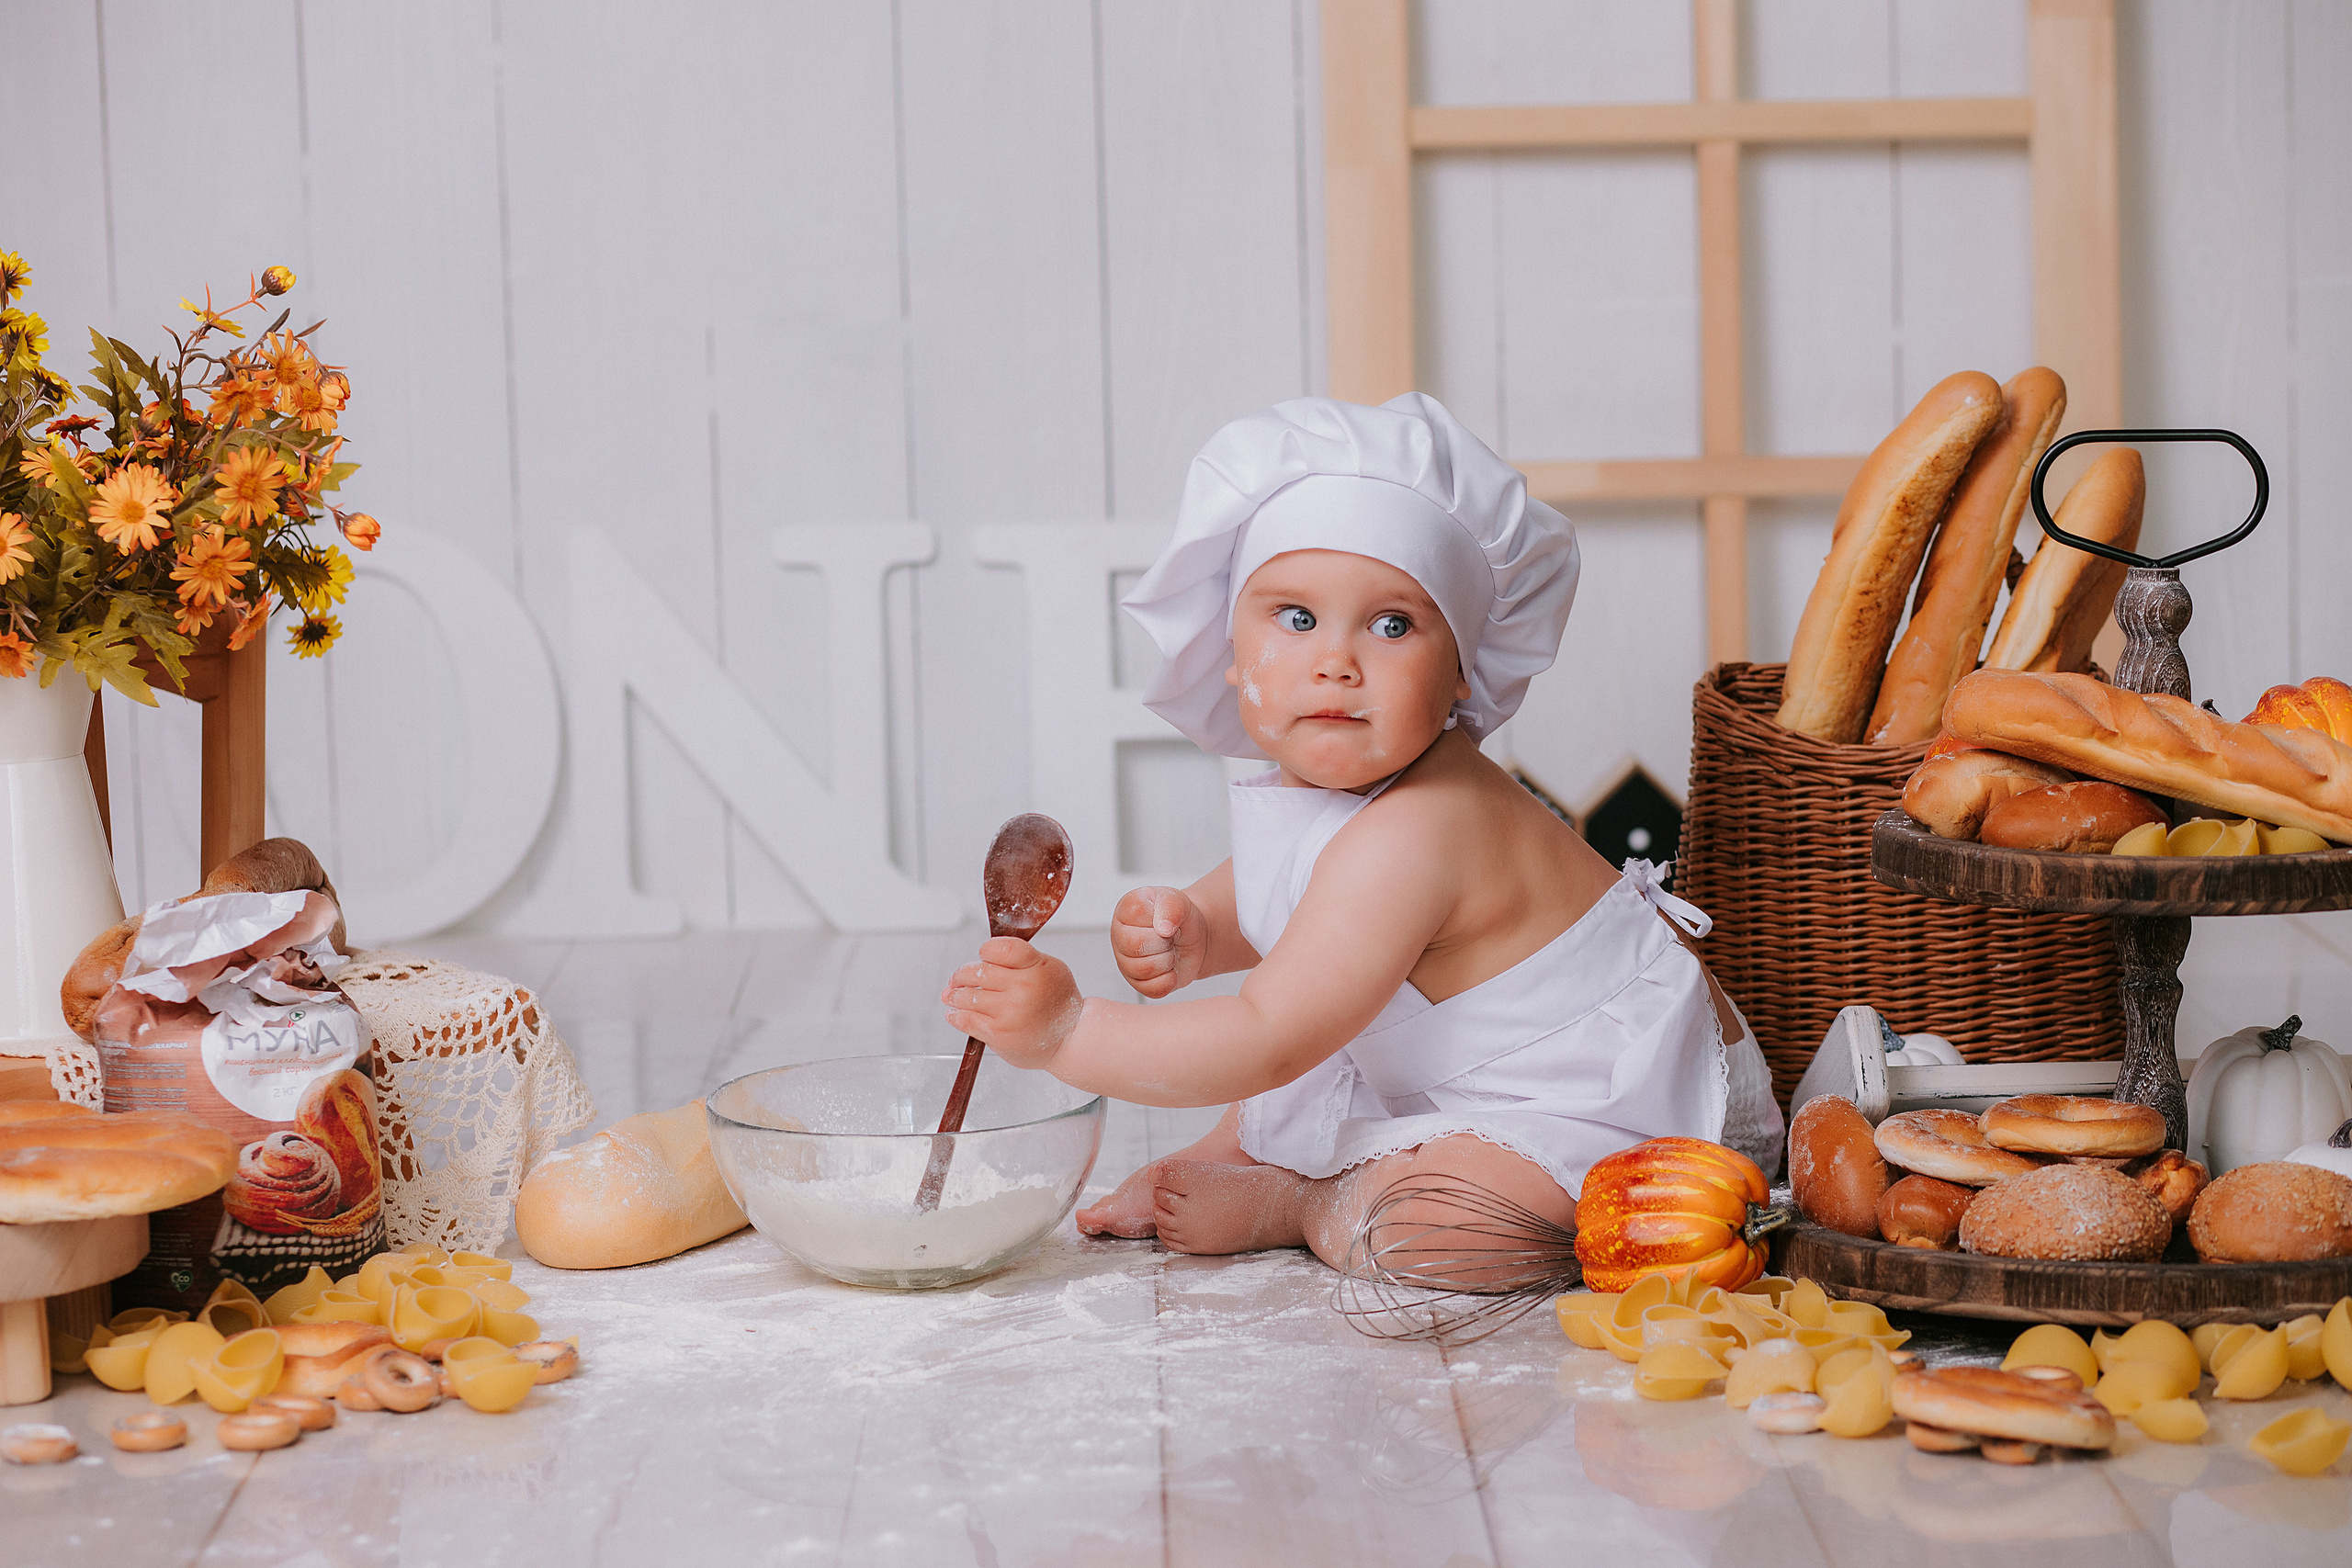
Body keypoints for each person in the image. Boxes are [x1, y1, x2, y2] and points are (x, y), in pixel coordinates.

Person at [941, 394, 1782, 1287]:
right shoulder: (1348, 798)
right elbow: (1294, 887)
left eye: (1392, 625)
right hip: (1464, 1075)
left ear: (1462, 673)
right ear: (1229, 654)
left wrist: (1069, 1031)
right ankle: (1237, 1154)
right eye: (1295, 619)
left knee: (1432, 1217)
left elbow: (1269, 1036)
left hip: (1626, 1109)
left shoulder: (1422, 829)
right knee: (1308, 1057)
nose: (1336, 661)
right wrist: (1199, 924)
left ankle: (1297, 1201)